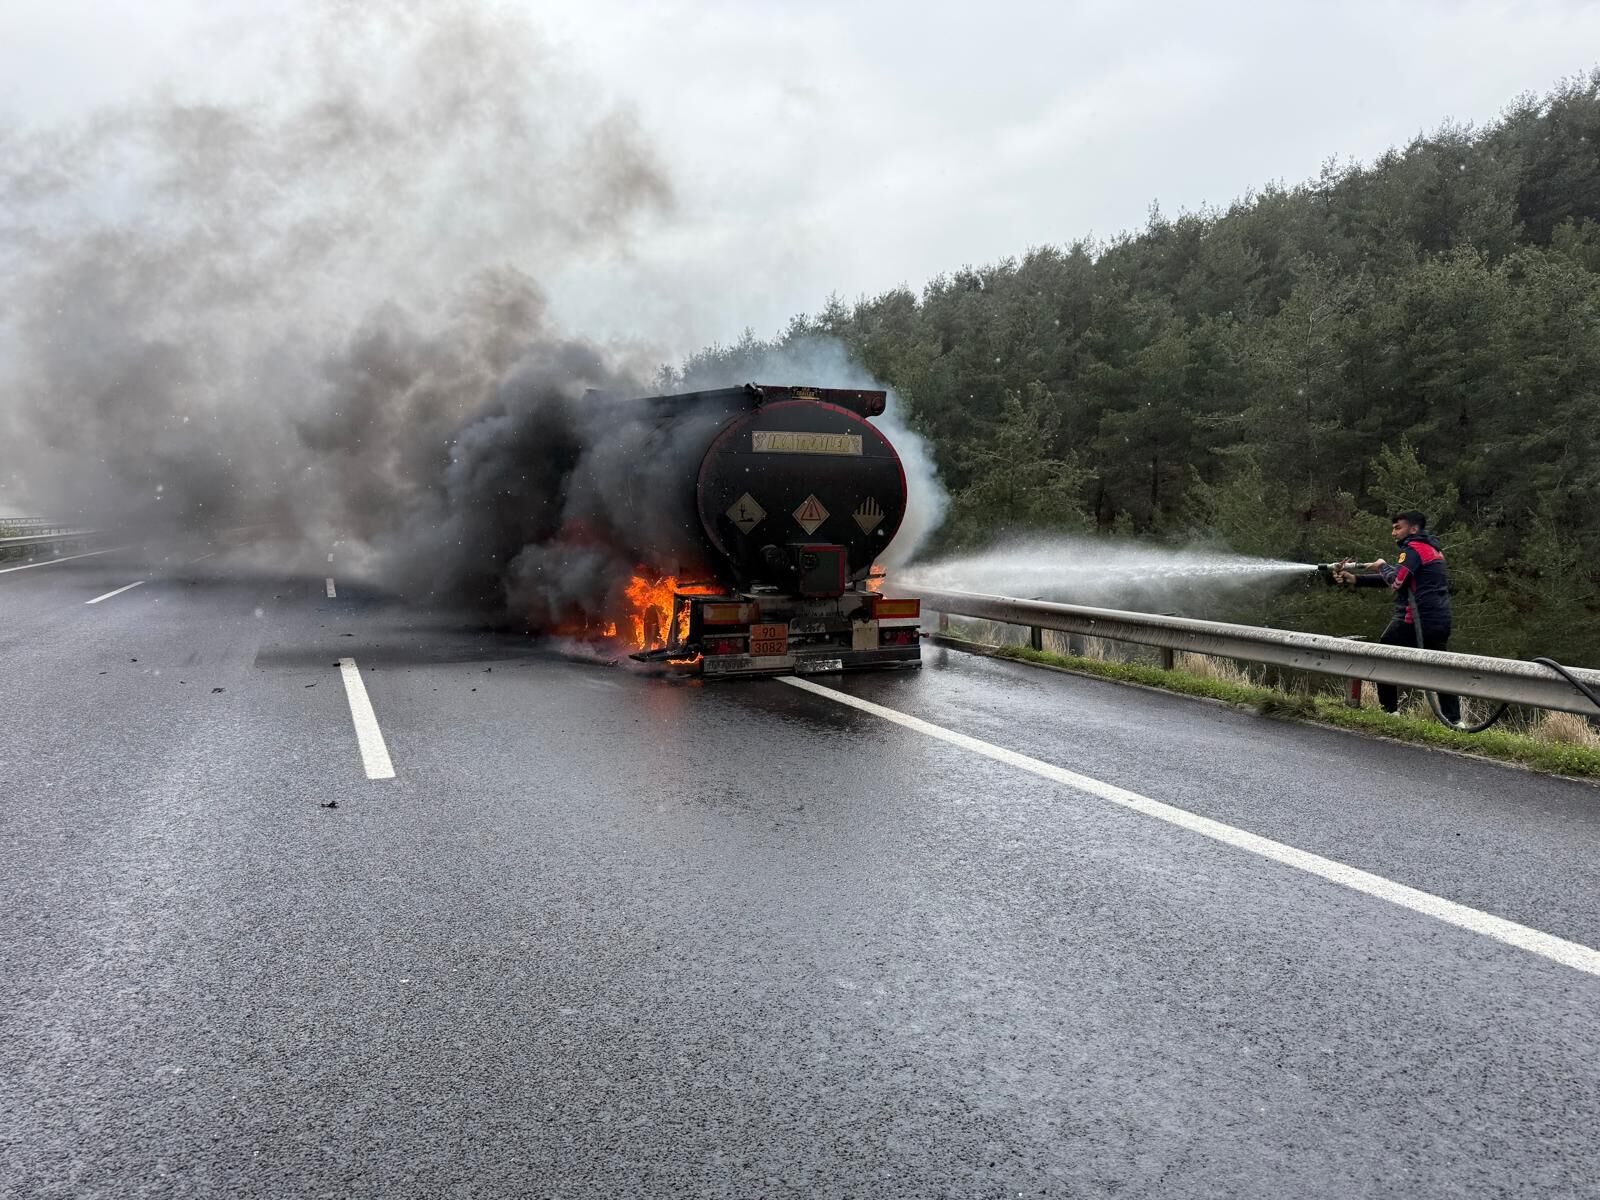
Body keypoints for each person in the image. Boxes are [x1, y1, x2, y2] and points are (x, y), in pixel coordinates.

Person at [1334, 510, 1461, 724]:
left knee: (1384, 654)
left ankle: (1390, 713)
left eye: (1398, 528)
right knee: (1440, 669)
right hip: (1439, 620)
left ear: (1413, 529)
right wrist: (1357, 579)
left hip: (1415, 620)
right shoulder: (1432, 549)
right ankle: (1456, 721)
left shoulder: (1413, 549)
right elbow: (1405, 578)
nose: (1393, 533)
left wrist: (1382, 565)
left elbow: (1396, 582)